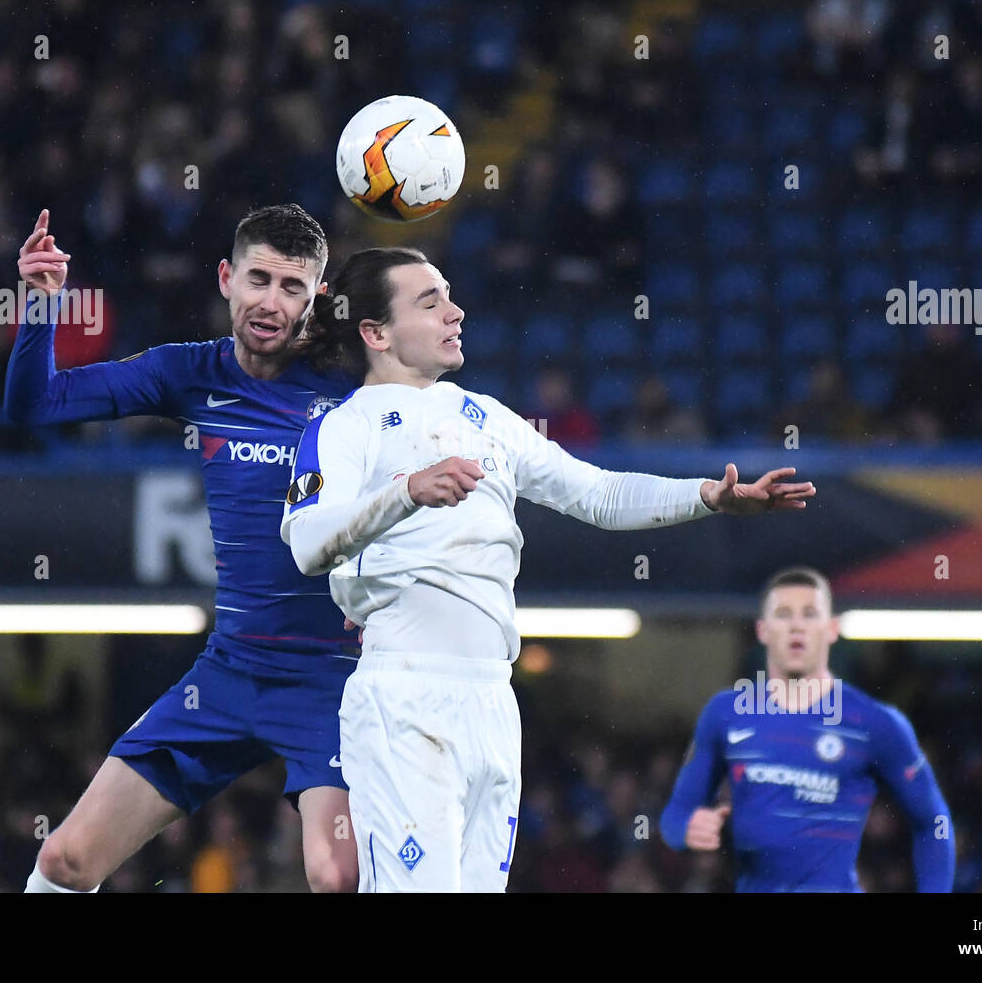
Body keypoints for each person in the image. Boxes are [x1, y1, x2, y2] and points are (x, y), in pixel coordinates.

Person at [281, 247, 815, 892]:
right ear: (376, 333)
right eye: (430, 302)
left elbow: (599, 494)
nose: (456, 312)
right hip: (404, 694)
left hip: (492, 702)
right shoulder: (343, 427)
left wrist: (708, 496)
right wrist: (407, 492)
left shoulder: (486, 417)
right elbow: (308, 543)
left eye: (450, 295)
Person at [6, 205, 360, 893]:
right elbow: (36, 405)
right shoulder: (190, 372)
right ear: (226, 277)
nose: (270, 301)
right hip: (228, 674)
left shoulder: (355, 390)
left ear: (316, 298)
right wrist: (43, 304)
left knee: (337, 874)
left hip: (333, 684)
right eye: (258, 278)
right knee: (63, 860)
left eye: (293, 287)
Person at [660, 567, 955, 892]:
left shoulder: (875, 723)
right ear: (762, 630)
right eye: (784, 614)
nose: (797, 625)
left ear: (831, 629)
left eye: (810, 614)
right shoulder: (725, 715)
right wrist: (687, 828)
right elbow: (675, 815)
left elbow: (933, 820)